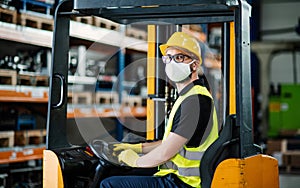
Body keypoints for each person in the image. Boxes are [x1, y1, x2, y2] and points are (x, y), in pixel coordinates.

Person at [100, 32, 219, 188]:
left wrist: (134, 160)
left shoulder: (195, 102)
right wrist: (135, 148)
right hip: (176, 176)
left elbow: (165, 153)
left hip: (185, 183)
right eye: (168, 58)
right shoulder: (188, 96)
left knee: (109, 184)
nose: (171, 63)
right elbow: (169, 143)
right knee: (119, 174)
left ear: (195, 64)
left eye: (179, 58)